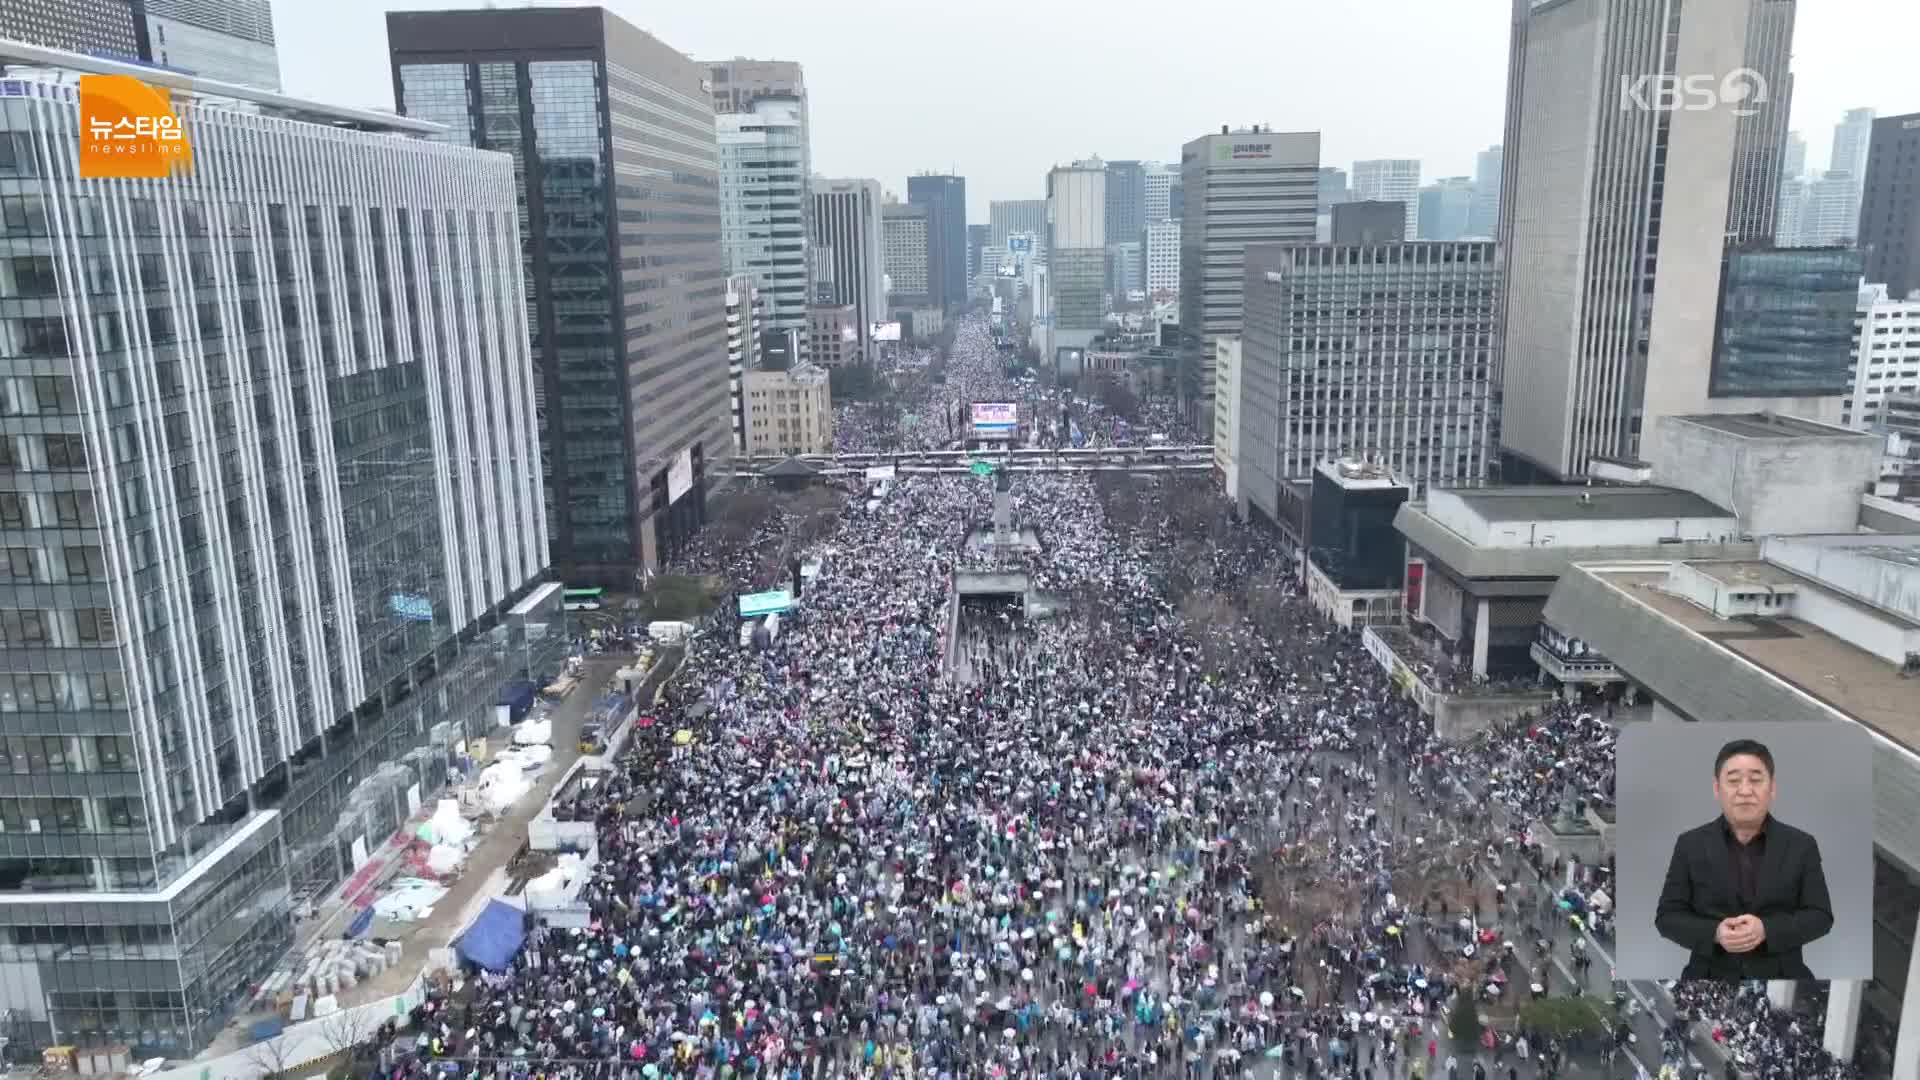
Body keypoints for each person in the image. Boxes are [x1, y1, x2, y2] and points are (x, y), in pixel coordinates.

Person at [1654, 738, 1834, 979]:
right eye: (1734, 781)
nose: (1745, 791)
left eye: (1756, 780)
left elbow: (1821, 916)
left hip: (1782, 973)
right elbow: (1667, 917)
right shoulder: (1690, 845)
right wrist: (1715, 933)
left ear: (1772, 788)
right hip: (1707, 975)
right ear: (1717, 788)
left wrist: (1767, 930)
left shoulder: (1801, 845)